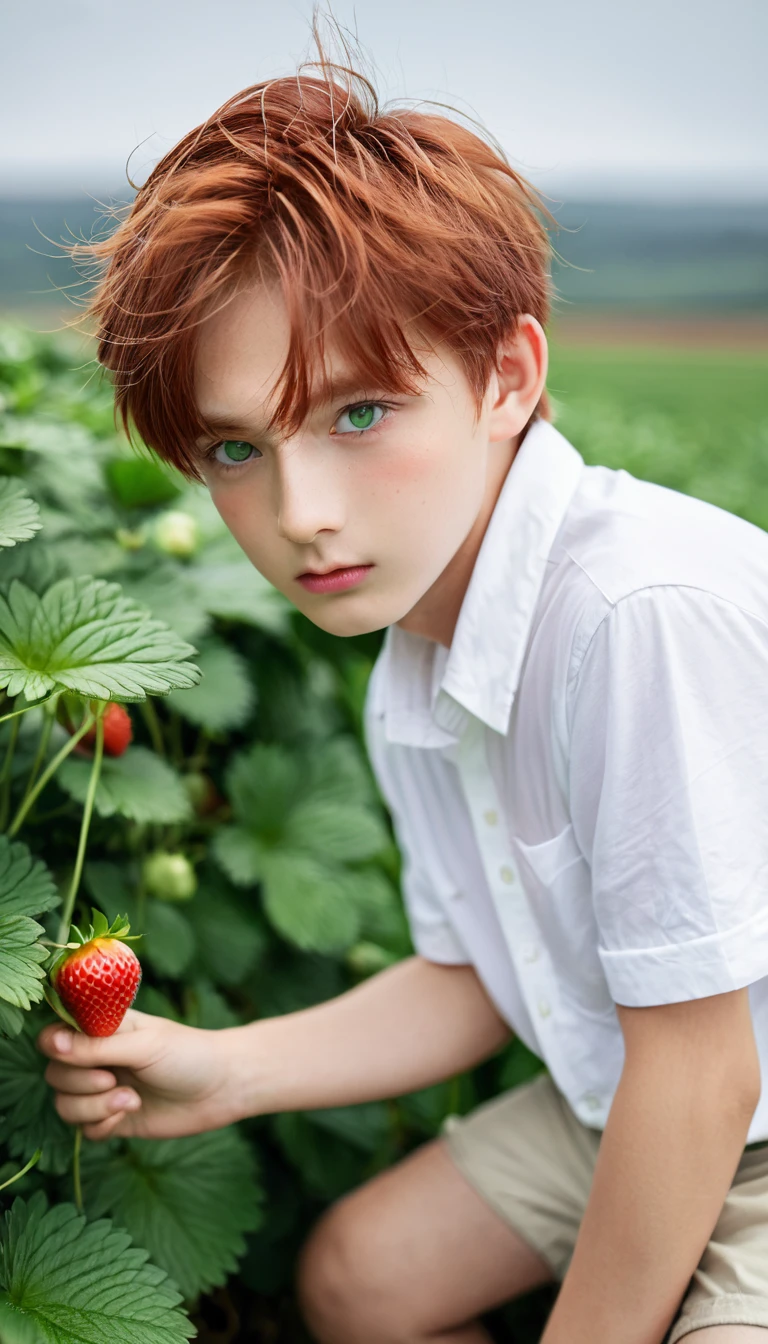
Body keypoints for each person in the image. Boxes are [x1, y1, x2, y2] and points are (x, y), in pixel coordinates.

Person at [36, 30, 768, 1344]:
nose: (300, 513)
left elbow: (706, 1067)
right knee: (360, 1281)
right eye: (235, 446)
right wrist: (222, 1071)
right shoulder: (419, 657)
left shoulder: (630, 616)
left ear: (508, 378)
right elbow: (482, 974)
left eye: (359, 414)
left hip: (730, 1095)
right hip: (625, 1082)